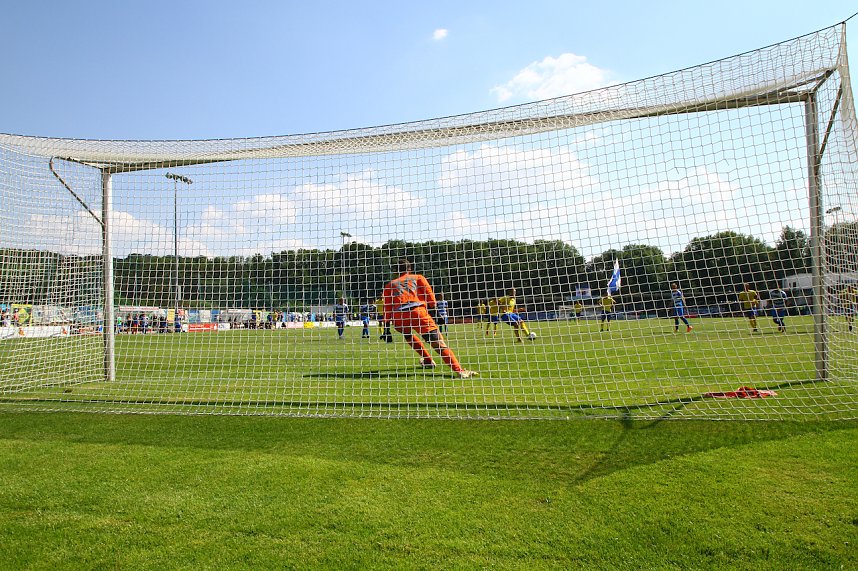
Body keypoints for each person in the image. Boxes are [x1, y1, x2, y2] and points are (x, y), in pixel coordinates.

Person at [382, 258, 476, 378]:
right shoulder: (418, 277)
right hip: (418, 312)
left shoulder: (390, 285)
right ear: (410, 269)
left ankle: (427, 360)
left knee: (408, 334)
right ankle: (459, 370)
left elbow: (387, 307)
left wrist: (386, 328)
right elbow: (429, 293)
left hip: (399, 316)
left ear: (395, 271)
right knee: (438, 343)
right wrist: (436, 311)